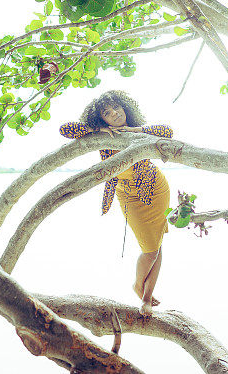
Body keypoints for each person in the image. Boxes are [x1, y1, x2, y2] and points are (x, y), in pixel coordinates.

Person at [59, 90, 172, 316]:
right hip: (128, 194)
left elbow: (168, 132)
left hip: (155, 188)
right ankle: (138, 287)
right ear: (102, 119)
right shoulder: (101, 135)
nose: (115, 114)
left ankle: (146, 297)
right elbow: (65, 129)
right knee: (150, 249)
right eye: (107, 113)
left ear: (125, 107)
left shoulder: (140, 132)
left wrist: (135, 130)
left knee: (155, 246)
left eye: (117, 108)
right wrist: (97, 129)